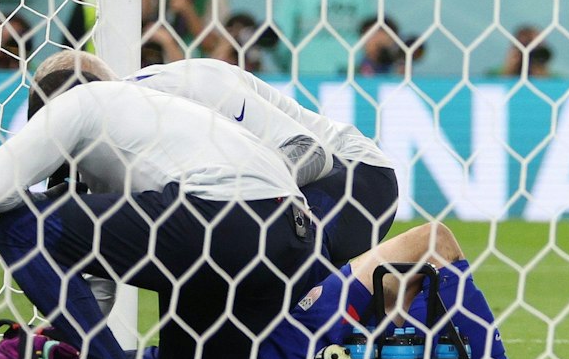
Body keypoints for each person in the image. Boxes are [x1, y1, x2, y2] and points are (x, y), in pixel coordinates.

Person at [0, 66, 569, 359]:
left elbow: (302, 156)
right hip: (263, 262)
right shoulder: (129, 136)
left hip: (340, 176)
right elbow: (103, 275)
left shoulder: (183, 89)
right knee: (424, 250)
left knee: (206, 346)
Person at [35, 51, 399, 263]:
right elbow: (101, 276)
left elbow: (311, 153)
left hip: (355, 176)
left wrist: (234, 198)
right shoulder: (101, 159)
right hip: (276, 202)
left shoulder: (192, 83)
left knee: (242, 251)